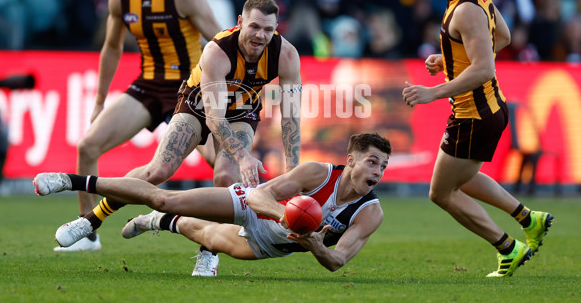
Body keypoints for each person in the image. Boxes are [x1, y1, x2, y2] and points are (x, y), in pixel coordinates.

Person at [51, 0, 303, 276]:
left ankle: (208, 252)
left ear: (277, 28)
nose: (260, 36)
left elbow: (291, 117)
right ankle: (91, 219)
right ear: (240, 22)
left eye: (268, 30)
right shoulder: (218, 51)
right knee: (158, 171)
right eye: (255, 27)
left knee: (225, 178)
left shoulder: (287, 55)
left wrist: (294, 172)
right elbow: (214, 117)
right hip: (199, 105)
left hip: (242, 110)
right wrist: (243, 156)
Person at [60, 0, 222, 252]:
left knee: (222, 165)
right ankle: (87, 235)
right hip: (148, 85)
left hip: (189, 89)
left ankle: (246, 223)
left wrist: (222, 95)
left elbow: (221, 41)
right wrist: (100, 101)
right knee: (87, 146)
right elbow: (112, 48)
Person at [402, 0, 554, 278]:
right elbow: (503, 37)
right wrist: (451, 60)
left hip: (474, 115)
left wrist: (431, 92)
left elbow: (484, 67)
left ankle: (507, 247)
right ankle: (530, 219)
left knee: (440, 193)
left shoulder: (466, 10)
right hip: (488, 109)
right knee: (464, 179)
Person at [33, 132, 390, 273]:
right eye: (373, 161)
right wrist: (288, 216)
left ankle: (154, 223)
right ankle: (70, 181)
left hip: (271, 244)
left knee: (204, 234)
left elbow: (337, 261)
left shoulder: (370, 213)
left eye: (384, 165)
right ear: (353, 160)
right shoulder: (318, 173)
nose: (378, 170)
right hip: (254, 208)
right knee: (165, 197)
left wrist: (314, 244)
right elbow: (258, 194)